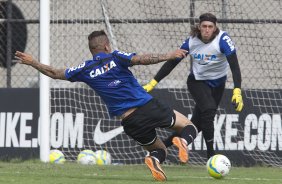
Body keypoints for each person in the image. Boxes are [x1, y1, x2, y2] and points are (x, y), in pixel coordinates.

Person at [15, 30, 198, 182]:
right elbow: (142, 59)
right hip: (147, 106)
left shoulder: (84, 69)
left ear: (91, 50)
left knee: (159, 150)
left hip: (129, 121)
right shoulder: (116, 56)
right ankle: (183, 141)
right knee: (188, 126)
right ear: (106, 46)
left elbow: (54, 73)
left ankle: (153, 160)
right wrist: (169, 55)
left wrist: (33, 62)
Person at [143, 13, 243, 160]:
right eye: (204, 26)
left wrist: (237, 91)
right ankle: (211, 155)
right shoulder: (191, 41)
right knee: (208, 110)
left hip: (218, 84)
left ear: (215, 28)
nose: (207, 30)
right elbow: (172, 62)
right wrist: (152, 83)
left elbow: (235, 66)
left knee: (197, 124)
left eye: (210, 27)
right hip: (197, 82)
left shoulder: (223, 40)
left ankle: (162, 148)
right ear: (199, 27)